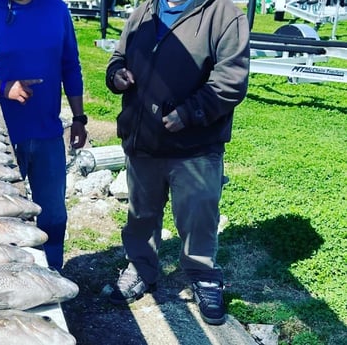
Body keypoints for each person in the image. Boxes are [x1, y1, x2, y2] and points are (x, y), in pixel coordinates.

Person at [104, 0, 250, 325]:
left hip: (194, 145)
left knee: (199, 214)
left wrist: (189, 113)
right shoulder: (144, 11)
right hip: (143, 140)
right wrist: (117, 75)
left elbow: (232, 81)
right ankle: (141, 267)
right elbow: (118, 57)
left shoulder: (224, 14)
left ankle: (203, 275)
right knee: (141, 213)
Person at [0, 0, 88, 271]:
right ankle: (3, 276)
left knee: (53, 215)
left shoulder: (57, 10)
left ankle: (51, 273)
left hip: (47, 133)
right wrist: (2, 87)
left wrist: (79, 118)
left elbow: (70, 66)